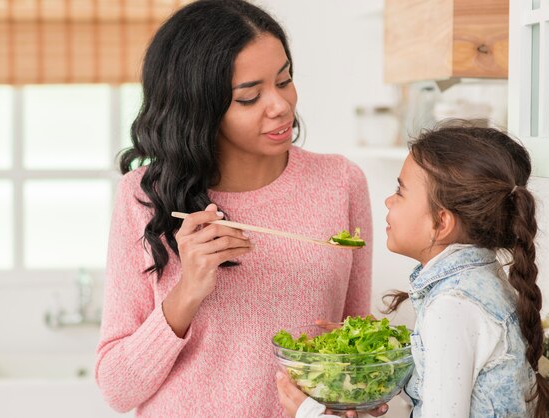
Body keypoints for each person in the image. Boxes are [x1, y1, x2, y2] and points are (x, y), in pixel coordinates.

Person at [94, 1, 373, 417]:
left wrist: (362, 401)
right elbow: (117, 390)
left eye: (285, 80)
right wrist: (188, 290)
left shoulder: (340, 182)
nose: (279, 105)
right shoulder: (145, 196)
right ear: (198, 108)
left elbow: (356, 352)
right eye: (249, 97)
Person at [276, 122, 549, 417]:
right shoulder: (481, 279)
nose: (389, 200)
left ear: (441, 223)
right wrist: (377, 355)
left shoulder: (452, 306)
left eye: (400, 191)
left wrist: (311, 413)